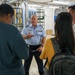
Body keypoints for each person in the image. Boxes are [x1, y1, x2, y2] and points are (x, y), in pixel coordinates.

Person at [0, 4, 29, 75]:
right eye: (12, 18)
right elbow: (25, 55)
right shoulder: (12, 31)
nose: (12, 21)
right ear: (9, 16)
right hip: (12, 72)